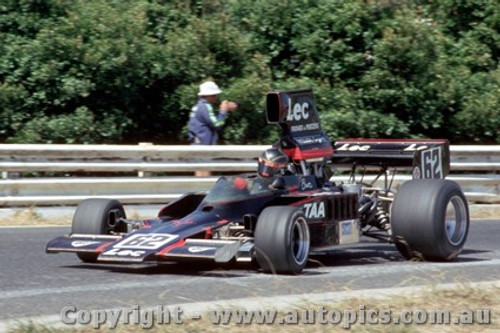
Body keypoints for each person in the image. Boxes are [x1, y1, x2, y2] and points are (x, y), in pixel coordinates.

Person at [188, 81, 238, 176]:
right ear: (210, 95)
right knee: (205, 170)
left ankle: (200, 189)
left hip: (197, 142)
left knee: (199, 170)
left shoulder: (198, 106)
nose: (217, 98)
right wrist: (223, 111)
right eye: (215, 95)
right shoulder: (205, 106)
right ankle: (204, 190)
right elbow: (217, 124)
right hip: (203, 144)